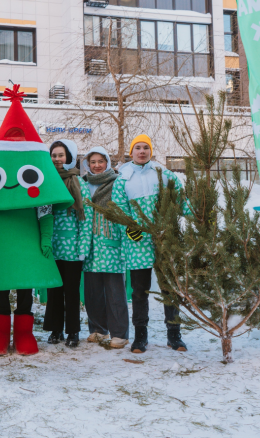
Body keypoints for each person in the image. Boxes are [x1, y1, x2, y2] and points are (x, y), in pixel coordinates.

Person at [0, 84, 73, 357]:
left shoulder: (36, 165)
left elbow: (45, 210)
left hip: (28, 241)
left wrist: (45, 238)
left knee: (25, 285)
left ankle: (25, 332)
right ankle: (1, 331)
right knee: (0, 285)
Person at [112, 134, 189, 354]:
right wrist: (127, 228)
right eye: (138, 148)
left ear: (151, 151)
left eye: (146, 147)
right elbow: (118, 209)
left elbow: (180, 200)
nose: (142, 151)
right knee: (139, 291)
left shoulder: (164, 174)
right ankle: (140, 337)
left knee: (169, 288)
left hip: (165, 238)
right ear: (132, 151)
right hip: (137, 242)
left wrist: (201, 216)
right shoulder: (123, 177)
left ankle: (174, 335)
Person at [43, 139, 92, 347]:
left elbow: (86, 217)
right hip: (52, 247)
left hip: (73, 248)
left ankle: (72, 331)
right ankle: (55, 330)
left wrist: (82, 248)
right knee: (54, 291)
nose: (57, 159)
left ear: (69, 157)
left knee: (71, 292)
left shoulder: (79, 183)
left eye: (61, 155)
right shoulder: (46, 181)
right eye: (53, 155)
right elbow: (42, 212)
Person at [81, 147, 130, 349]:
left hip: (111, 240)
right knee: (92, 291)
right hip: (89, 242)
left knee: (114, 290)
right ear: (87, 164)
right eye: (93, 162)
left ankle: (119, 333)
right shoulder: (83, 184)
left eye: (101, 161)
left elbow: (124, 209)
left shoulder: (117, 183)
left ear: (107, 163)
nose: (97, 165)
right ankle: (98, 329)